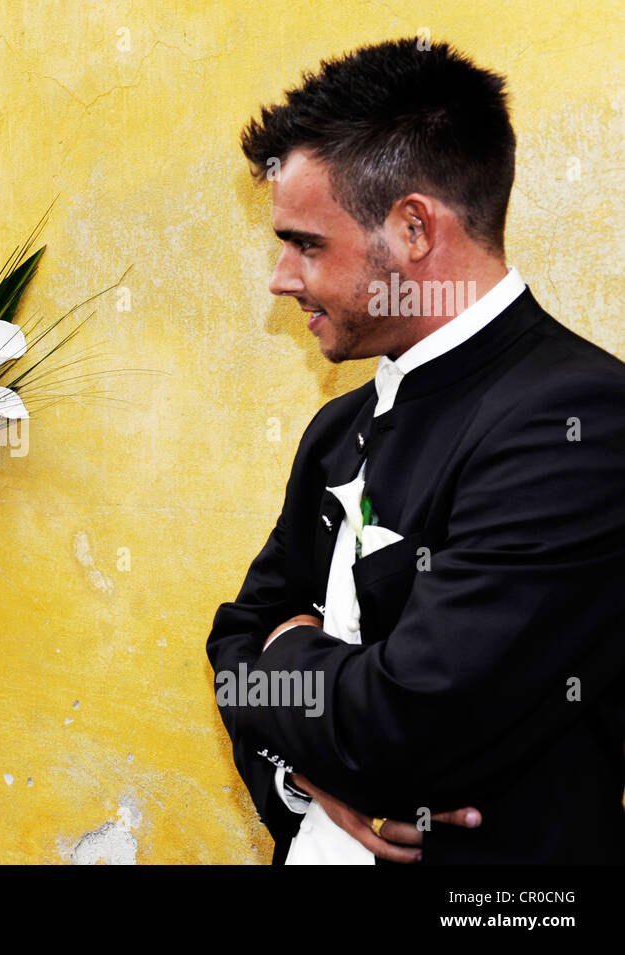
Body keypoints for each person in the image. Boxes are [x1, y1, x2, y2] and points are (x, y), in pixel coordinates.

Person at [206, 37, 625, 864]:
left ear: (413, 228)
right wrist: (305, 772)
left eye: (306, 243)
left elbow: (409, 726)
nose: (281, 279)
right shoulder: (338, 427)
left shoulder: (579, 420)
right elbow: (231, 649)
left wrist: (290, 650)